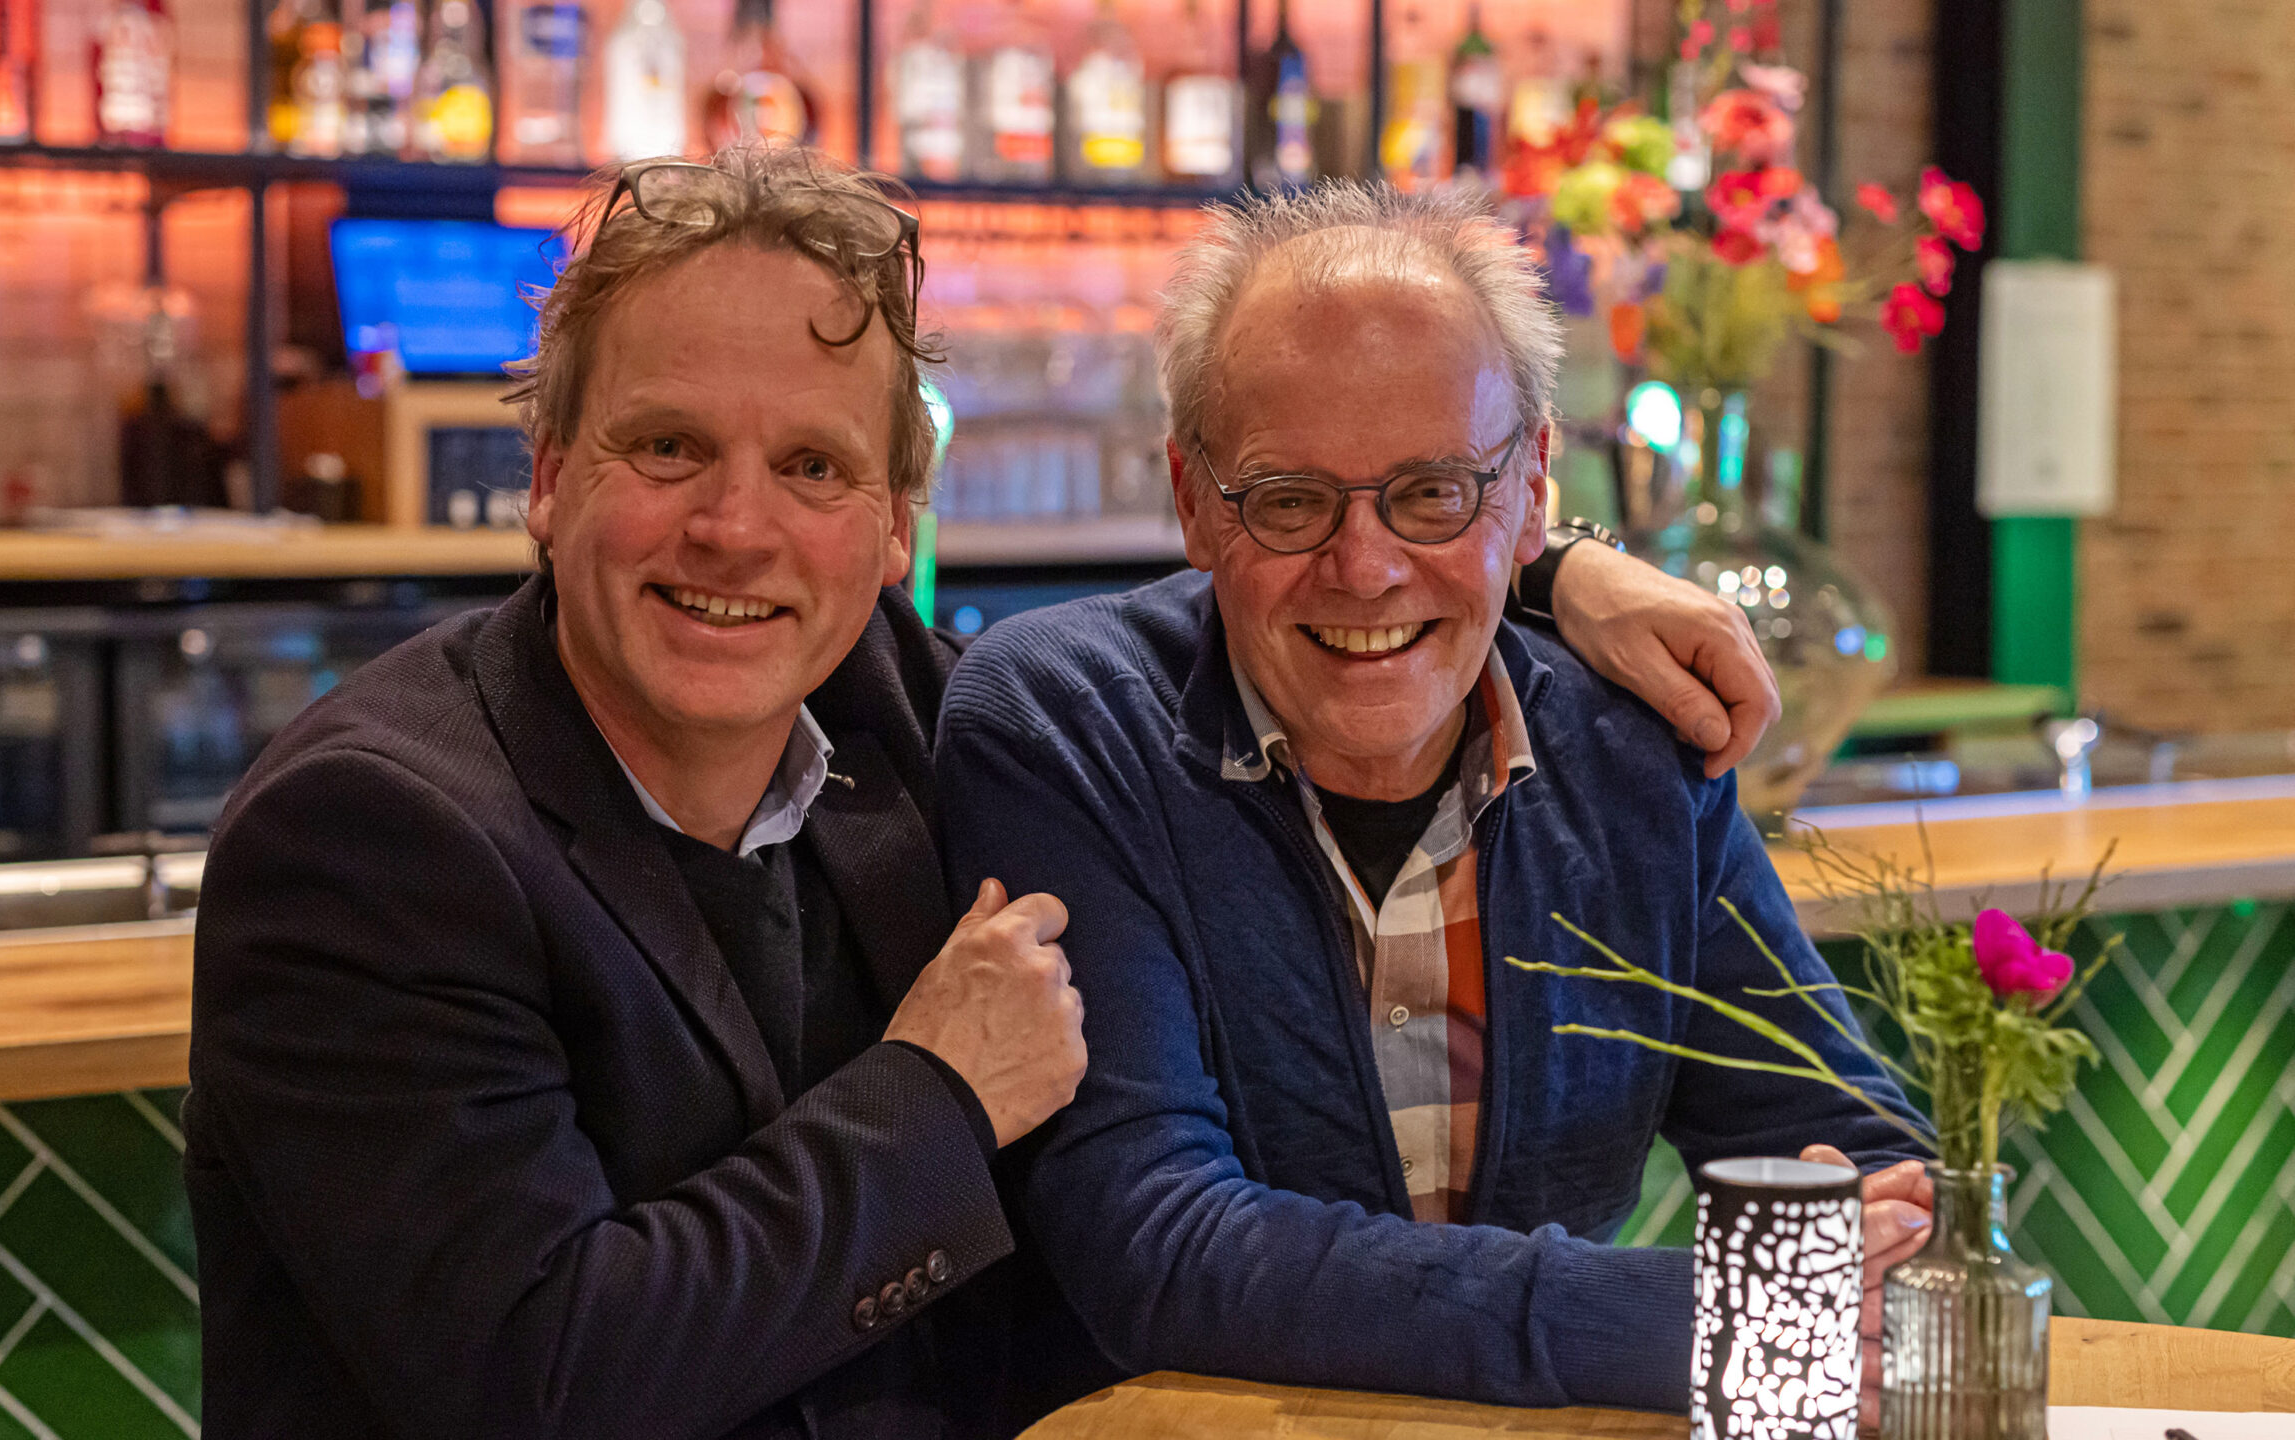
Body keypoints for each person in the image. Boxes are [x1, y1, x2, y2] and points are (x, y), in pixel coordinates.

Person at [184, 150, 1799, 1440]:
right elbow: (536, 1378)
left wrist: (1542, 570)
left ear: (894, 526)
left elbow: (1289, 585)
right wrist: (940, 1095)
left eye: (814, 468)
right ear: (549, 478)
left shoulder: (906, 704)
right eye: (666, 447)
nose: (738, 528)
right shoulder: (376, 835)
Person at [932, 182, 1934, 1418]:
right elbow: (1158, 1249)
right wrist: (1685, 1315)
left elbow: (1862, 1150)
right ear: (1192, 501)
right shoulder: (1066, 722)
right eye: (1289, 501)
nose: (1364, 569)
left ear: (1531, 487)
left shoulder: (1630, 753)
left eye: (1432, 492)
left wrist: (1870, 1248)